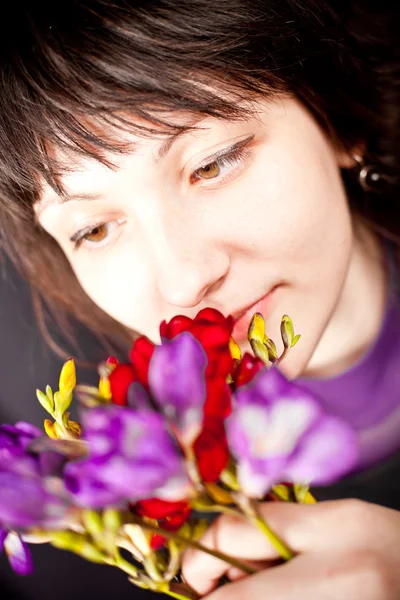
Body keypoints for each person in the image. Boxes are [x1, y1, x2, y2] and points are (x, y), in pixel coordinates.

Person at [1, 1, 400, 597]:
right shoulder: (81, 473)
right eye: (94, 229)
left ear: (340, 122)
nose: (185, 281)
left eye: (212, 165)